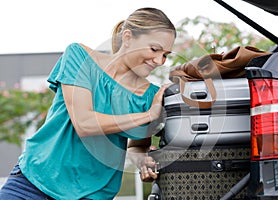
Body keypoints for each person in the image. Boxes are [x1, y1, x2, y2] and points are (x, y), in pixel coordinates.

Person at [0, 7, 176, 200]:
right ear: (128, 37)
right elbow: (84, 123)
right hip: (33, 184)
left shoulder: (151, 96)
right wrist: (148, 115)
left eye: (166, 54)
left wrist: (142, 160)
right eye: (154, 49)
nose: (160, 60)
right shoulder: (80, 58)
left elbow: (136, 145)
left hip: (91, 195)